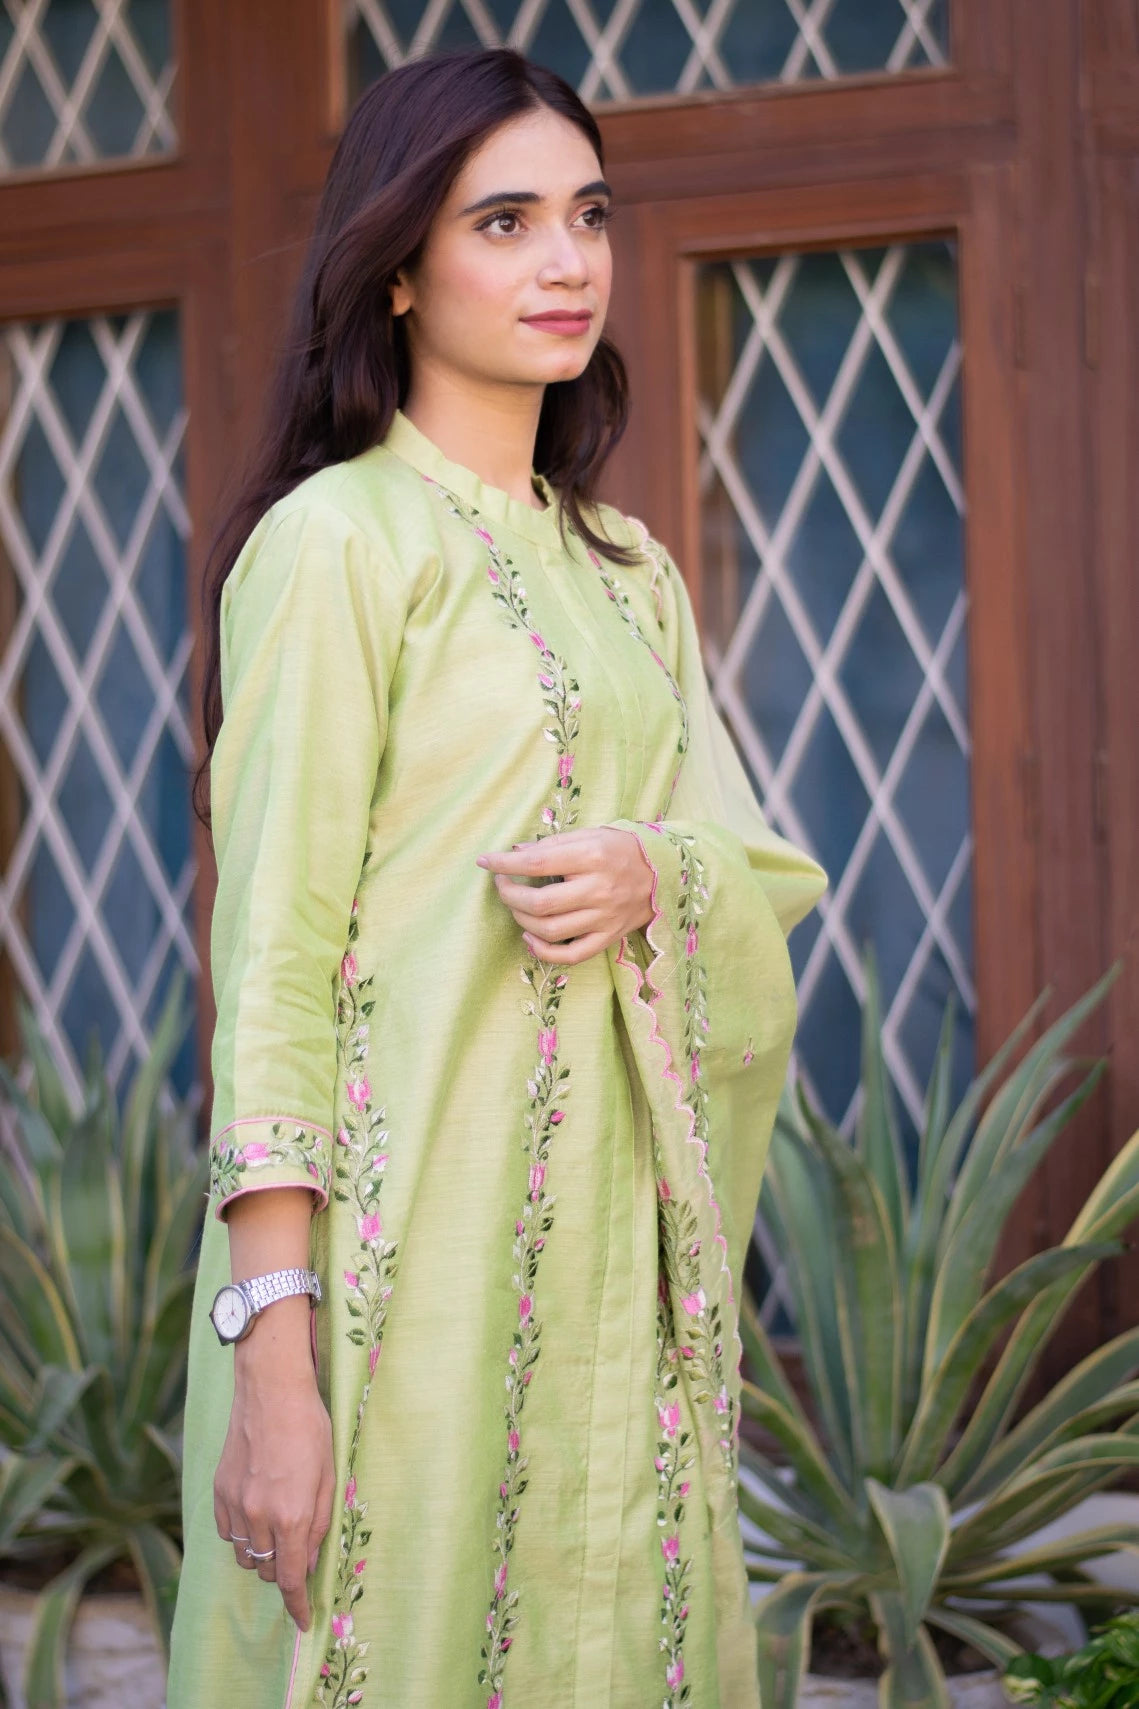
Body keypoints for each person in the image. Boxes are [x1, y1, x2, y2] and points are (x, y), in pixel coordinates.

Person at [167, 44, 826, 1709]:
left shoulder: (624, 569)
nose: (566, 261)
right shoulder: (339, 545)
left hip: (621, 1301)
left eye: (589, 216)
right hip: (403, 1293)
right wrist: (276, 1362)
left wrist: (655, 872)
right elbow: (274, 965)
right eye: (506, 219)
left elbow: (752, 869)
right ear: (398, 266)